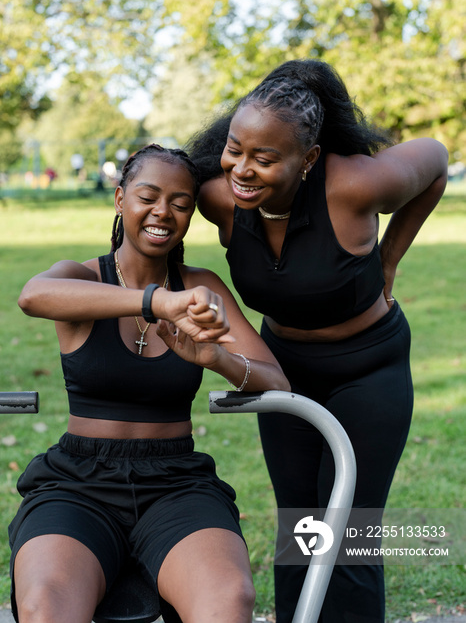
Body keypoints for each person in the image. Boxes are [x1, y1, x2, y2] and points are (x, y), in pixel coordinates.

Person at [185, 59, 449, 623]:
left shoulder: (355, 185)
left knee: (347, 532)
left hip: (368, 367)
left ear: (307, 159)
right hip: (284, 367)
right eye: (236, 148)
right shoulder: (217, 198)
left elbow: (437, 162)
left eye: (265, 158)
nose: (243, 169)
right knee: (301, 526)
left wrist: (389, 258)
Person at [9, 143, 291, 623]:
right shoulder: (83, 278)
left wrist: (216, 357)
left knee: (229, 600)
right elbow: (33, 296)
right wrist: (156, 303)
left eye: (181, 203)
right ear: (120, 199)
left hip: (177, 483)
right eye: (148, 196)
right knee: (46, 606)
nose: (164, 212)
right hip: (78, 484)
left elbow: (276, 382)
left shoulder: (201, 285)